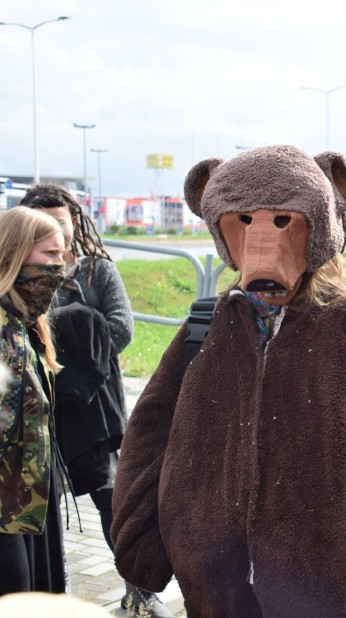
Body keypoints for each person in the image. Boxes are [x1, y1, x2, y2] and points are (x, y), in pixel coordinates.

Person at [111, 145, 346, 617]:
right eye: (244, 220)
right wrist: (143, 549)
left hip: (327, 587)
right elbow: (149, 432)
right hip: (217, 586)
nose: (263, 239)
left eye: (283, 220)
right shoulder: (206, 324)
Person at [19, 185, 166, 616]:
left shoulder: (96, 270)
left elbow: (121, 329)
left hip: (95, 411)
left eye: (61, 224)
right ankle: (50, 588)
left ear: (74, 222)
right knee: (42, 507)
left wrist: (71, 334)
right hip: (41, 410)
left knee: (113, 502)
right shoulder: (18, 275)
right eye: (44, 228)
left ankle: (139, 590)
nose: (56, 237)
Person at [0, 207, 67, 595]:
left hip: (25, 506)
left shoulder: (23, 326)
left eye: (63, 254)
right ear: (15, 254)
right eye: (51, 255)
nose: (61, 266)